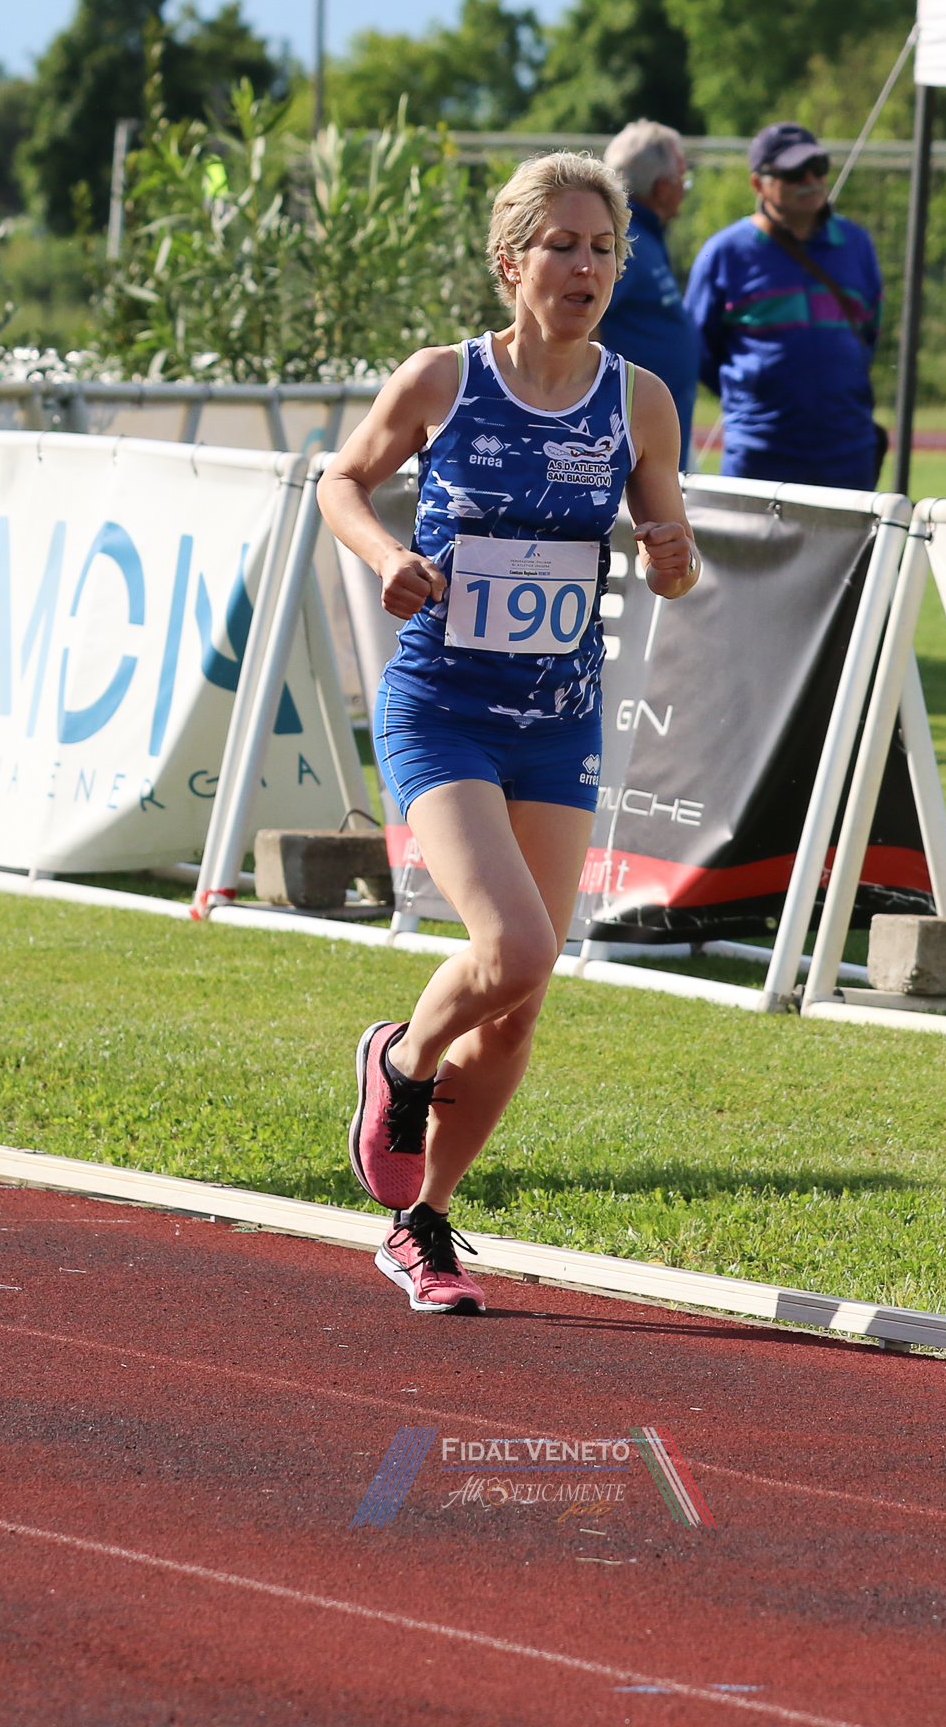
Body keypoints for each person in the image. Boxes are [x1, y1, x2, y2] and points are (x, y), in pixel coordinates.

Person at [318, 153, 699, 1314]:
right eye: (562, 246)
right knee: (519, 945)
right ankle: (400, 1059)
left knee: (523, 997)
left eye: (603, 249)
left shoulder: (637, 400)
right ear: (510, 261)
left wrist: (673, 555)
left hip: (558, 721)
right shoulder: (445, 378)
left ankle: (421, 1220)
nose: (586, 268)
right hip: (442, 707)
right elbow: (341, 481)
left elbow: (671, 555)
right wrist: (388, 556)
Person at [685, 122, 884, 490]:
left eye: (818, 168)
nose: (810, 180)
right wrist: (755, 393)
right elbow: (698, 350)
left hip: (848, 451)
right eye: (794, 173)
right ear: (758, 184)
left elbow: (871, 333)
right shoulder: (725, 252)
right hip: (758, 451)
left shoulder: (857, 243)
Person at [597, 120, 704, 470]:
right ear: (662, 188)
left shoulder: (641, 235)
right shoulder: (624, 241)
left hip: (650, 433)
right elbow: (582, 321)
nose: (685, 188)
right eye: (682, 178)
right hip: (625, 444)